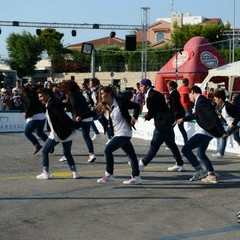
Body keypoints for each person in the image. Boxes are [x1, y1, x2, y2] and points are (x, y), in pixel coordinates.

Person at [78, 86, 141, 184]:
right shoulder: (104, 105)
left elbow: (137, 106)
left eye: (103, 93)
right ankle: (136, 177)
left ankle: (109, 174)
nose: (101, 95)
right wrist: (81, 117)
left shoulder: (120, 102)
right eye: (100, 94)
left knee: (107, 150)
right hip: (117, 133)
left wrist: (135, 117)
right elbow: (93, 112)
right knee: (131, 154)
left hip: (124, 132)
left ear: (110, 93)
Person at [177, 86, 227, 184]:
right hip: (206, 132)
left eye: (189, 95)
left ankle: (200, 170)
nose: (189, 97)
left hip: (204, 132)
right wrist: (183, 118)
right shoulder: (199, 101)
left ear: (193, 92)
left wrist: (222, 131)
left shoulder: (201, 101)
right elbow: (196, 115)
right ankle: (211, 175)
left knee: (186, 149)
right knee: (201, 154)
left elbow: (213, 115)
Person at [138, 79, 185, 172]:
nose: (140, 87)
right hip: (167, 121)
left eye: (141, 85)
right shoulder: (155, 93)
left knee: (154, 145)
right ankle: (180, 164)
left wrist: (147, 116)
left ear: (147, 86)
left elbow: (153, 110)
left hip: (162, 124)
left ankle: (142, 163)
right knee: (171, 144)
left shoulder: (151, 96)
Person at [37, 88, 80, 180]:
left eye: (41, 96)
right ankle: (75, 172)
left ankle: (46, 173)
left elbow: (62, 116)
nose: (40, 98)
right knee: (67, 153)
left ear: (47, 95)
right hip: (65, 132)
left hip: (58, 133)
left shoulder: (51, 104)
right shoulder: (52, 103)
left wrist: (74, 125)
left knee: (44, 151)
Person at [59, 80, 96, 163]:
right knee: (86, 136)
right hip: (88, 117)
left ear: (67, 89)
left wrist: (75, 117)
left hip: (80, 118)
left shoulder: (72, 96)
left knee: (68, 135)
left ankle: (66, 154)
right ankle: (91, 154)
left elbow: (74, 106)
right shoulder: (79, 94)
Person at [212, 89, 240, 158]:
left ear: (220, 99)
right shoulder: (219, 106)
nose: (214, 100)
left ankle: (220, 153)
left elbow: (238, 114)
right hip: (231, 124)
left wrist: (234, 124)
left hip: (236, 124)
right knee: (236, 138)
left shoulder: (228, 106)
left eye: (215, 98)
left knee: (224, 136)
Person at [22, 84, 48, 155]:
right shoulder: (36, 95)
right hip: (42, 116)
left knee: (27, 132)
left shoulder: (27, 96)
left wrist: (26, 113)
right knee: (39, 132)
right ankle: (50, 145)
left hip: (35, 117)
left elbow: (29, 104)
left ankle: (37, 145)